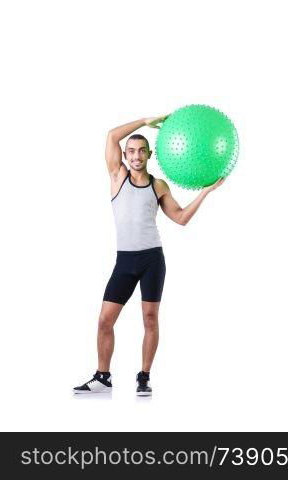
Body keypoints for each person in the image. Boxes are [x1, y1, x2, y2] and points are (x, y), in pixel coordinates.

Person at [73, 116, 224, 396]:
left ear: (150, 154)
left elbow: (179, 218)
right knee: (105, 320)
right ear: (125, 155)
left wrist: (205, 192)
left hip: (152, 259)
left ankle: (144, 376)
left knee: (150, 319)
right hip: (125, 261)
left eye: (142, 151)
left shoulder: (158, 185)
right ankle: (103, 377)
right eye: (130, 151)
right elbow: (110, 135)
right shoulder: (117, 176)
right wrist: (145, 121)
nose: (136, 156)